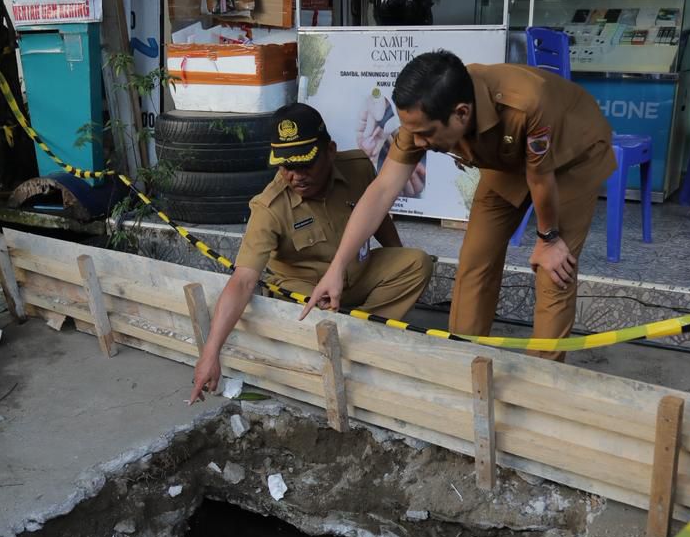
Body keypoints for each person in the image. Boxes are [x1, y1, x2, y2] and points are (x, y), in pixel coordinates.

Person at [302, 50, 615, 362]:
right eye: (413, 132)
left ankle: (543, 380)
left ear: (462, 114)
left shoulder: (526, 103)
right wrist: (338, 266)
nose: (419, 143)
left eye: (426, 135)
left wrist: (548, 239)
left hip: (570, 157)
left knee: (554, 271)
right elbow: (382, 190)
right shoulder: (422, 118)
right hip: (505, 161)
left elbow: (541, 178)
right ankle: (462, 361)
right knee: (476, 259)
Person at [188, 103, 433, 403]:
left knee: (416, 264)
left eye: (305, 163)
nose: (296, 176)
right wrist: (210, 354)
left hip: (358, 276)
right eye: (286, 166)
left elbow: (378, 218)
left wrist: (395, 262)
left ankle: (359, 339)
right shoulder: (268, 207)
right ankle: (359, 344)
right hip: (311, 297)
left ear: (330, 150)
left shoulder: (358, 167)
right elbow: (242, 282)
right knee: (316, 314)